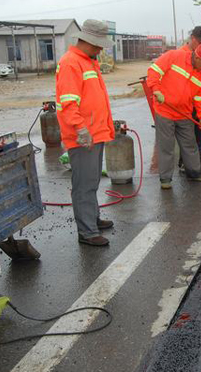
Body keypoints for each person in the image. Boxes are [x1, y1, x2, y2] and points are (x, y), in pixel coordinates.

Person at [56, 19, 115, 247]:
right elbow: (69, 103)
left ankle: (93, 219)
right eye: (99, 44)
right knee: (84, 185)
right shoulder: (71, 63)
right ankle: (87, 232)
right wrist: (80, 128)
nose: (101, 49)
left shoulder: (88, 62)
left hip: (95, 133)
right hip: (83, 136)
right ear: (88, 41)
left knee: (92, 181)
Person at [147, 43, 201, 189]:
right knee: (166, 146)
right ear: (197, 57)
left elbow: (199, 98)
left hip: (184, 113)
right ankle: (165, 179)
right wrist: (156, 89)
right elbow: (153, 71)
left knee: (190, 144)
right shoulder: (173, 56)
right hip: (165, 110)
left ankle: (194, 173)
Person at [181, 25, 201, 168]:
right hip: (185, 103)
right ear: (193, 39)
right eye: (200, 42)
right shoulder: (182, 54)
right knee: (187, 136)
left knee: (200, 132)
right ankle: (184, 163)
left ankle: (200, 158)